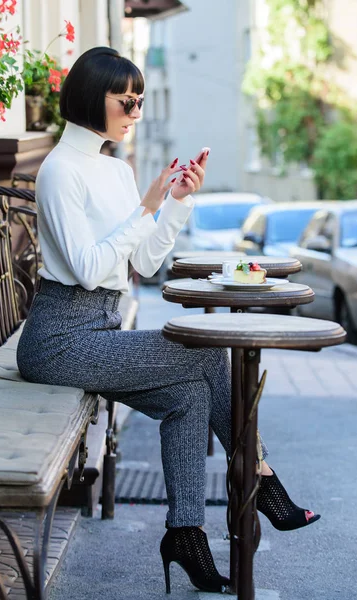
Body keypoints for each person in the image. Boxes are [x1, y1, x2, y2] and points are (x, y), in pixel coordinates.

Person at [17, 47, 320, 595]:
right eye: (125, 100)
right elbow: (87, 270)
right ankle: (259, 472)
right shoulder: (59, 170)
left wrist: (174, 204)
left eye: (138, 99)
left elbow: (145, 263)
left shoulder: (112, 168)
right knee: (203, 349)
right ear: (93, 99)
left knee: (188, 397)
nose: (136, 111)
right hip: (59, 340)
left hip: (101, 329)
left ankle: (186, 533)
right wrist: (144, 209)